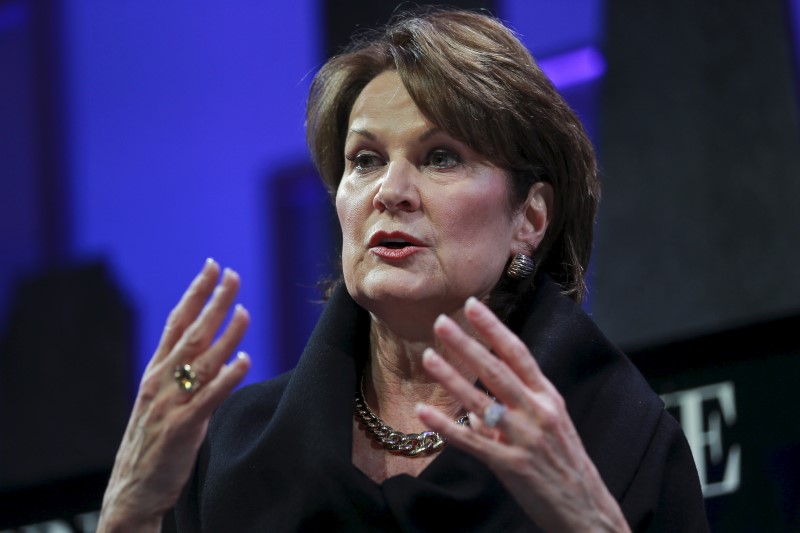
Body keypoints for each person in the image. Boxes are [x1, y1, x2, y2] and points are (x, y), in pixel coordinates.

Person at [98, 8, 708, 532]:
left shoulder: (617, 440)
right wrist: (130, 510)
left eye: (440, 157)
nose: (390, 191)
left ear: (530, 218)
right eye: (364, 160)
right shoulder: (233, 449)